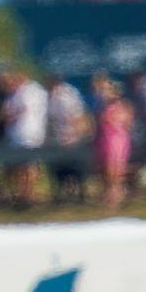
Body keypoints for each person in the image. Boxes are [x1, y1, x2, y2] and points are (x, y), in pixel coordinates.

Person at [2, 69, 49, 206]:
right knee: (25, 166)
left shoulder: (24, 92)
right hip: (27, 134)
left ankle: (28, 193)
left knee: (27, 166)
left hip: (25, 134)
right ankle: (25, 193)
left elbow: (21, 110)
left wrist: (10, 116)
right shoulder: (37, 91)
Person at [46, 74, 91, 203]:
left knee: (75, 167)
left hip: (71, 136)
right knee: (60, 167)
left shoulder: (67, 95)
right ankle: (63, 193)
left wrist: (75, 134)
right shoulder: (52, 96)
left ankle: (81, 193)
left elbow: (78, 116)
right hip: (58, 137)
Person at [95, 77, 135, 210]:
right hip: (106, 139)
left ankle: (116, 194)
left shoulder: (123, 106)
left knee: (116, 169)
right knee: (108, 170)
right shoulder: (104, 107)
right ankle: (111, 193)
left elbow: (128, 122)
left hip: (117, 139)